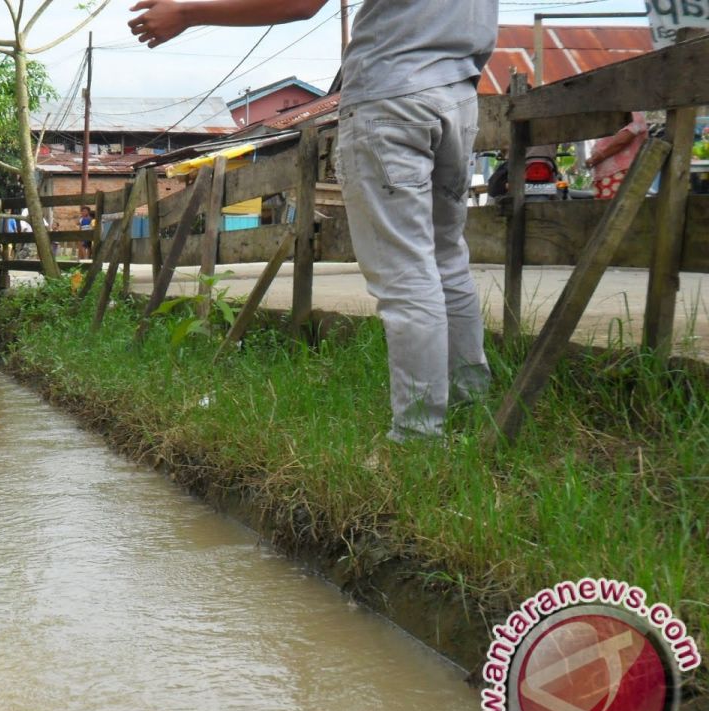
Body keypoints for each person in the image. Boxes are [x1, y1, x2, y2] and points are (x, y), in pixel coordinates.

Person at [129, 0, 495, 443]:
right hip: (458, 97)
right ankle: (470, 414)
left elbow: (299, 4)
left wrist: (186, 13)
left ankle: (418, 438)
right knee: (447, 261)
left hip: (393, 96)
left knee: (406, 275)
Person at [587, 112, 648, 200]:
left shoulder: (634, 113)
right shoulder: (614, 115)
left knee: (617, 210)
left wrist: (599, 156)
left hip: (621, 174)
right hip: (606, 175)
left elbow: (623, 140)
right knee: (604, 210)